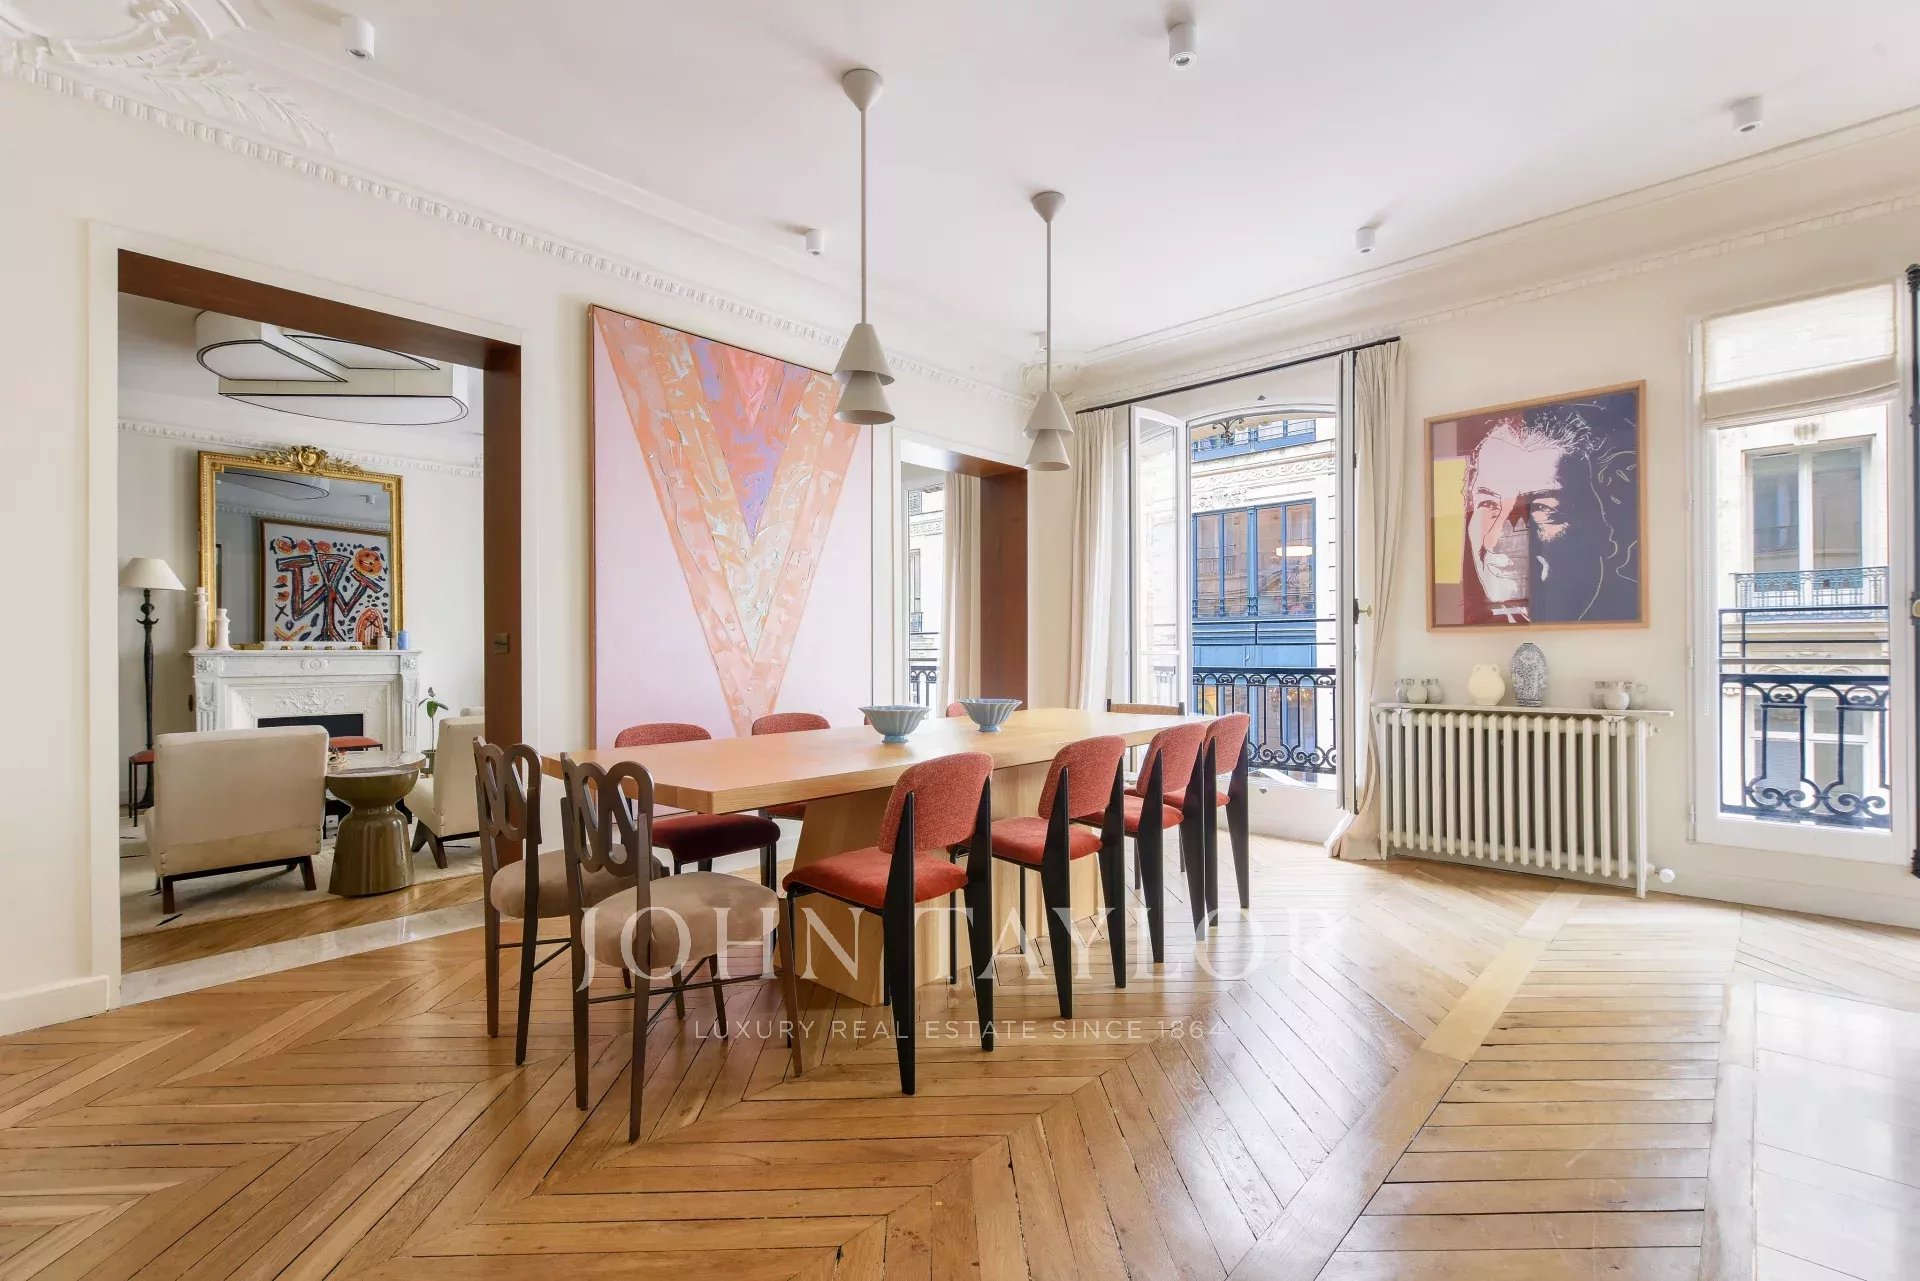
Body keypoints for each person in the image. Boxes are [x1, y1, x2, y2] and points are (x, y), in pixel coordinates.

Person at [1458, 394, 1639, 625]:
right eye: (1488, 504)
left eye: (1542, 508)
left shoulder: (1629, 620)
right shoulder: (1478, 625)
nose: (1497, 539)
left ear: (1606, 524)